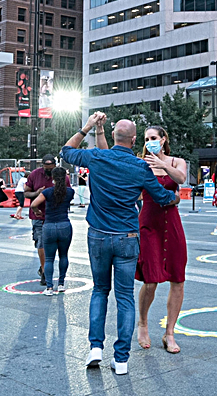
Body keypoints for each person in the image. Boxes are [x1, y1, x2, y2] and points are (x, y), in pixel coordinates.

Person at [61, 112, 180, 375]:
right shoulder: (140, 167)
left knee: (99, 291)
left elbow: (66, 151)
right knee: (124, 297)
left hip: (98, 235)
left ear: (114, 135)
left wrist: (88, 127)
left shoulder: (97, 157)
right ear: (135, 140)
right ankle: (122, 358)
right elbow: (161, 197)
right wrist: (175, 199)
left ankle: (95, 348)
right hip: (127, 236)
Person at [131, 126, 188, 355]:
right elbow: (133, 192)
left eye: (154, 138)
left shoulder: (176, 161)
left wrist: (163, 165)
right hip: (148, 223)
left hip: (172, 224)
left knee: (178, 279)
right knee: (151, 279)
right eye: (146, 139)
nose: (150, 142)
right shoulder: (140, 164)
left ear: (163, 139)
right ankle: (143, 323)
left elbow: (181, 179)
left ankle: (170, 332)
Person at [24, 155, 69, 285]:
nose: (49, 171)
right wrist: (36, 193)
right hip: (39, 216)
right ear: (42, 165)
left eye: (51, 168)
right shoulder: (34, 175)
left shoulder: (62, 178)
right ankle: (44, 271)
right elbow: (26, 193)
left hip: (56, 216)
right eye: (46, 168)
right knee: (41, 243)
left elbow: (67, 193)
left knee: (57, 247)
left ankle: (49, 272)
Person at [30, 167, 74, 296]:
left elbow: (33, 204)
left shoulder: (47, 192)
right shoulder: (70, 192)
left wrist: (37, 211)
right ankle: (61, 284)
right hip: (64, 225)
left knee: (49, 258)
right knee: (64, 256)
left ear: (53, 178)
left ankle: (49, 287)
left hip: (49, 226)